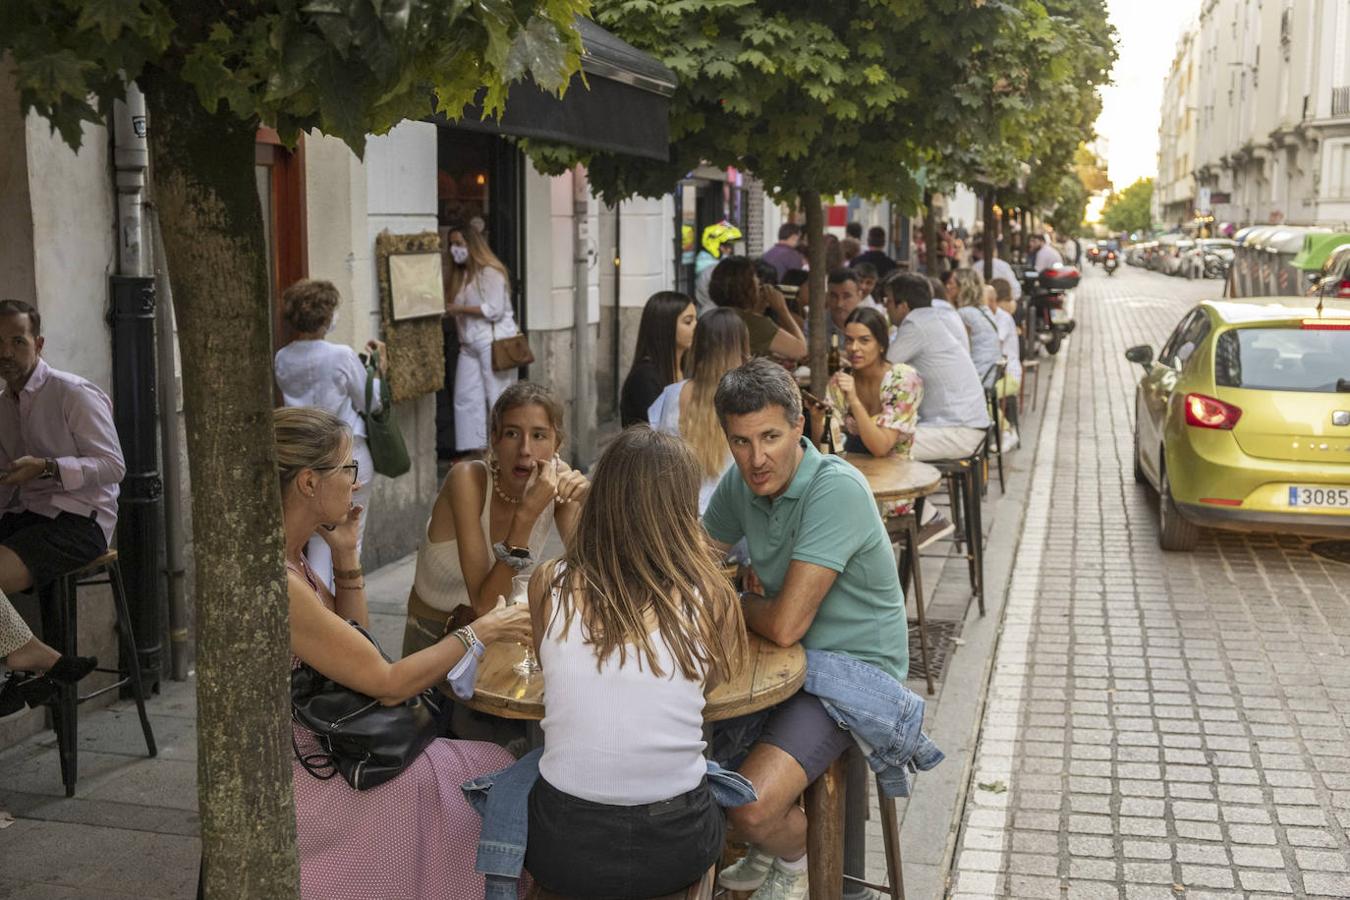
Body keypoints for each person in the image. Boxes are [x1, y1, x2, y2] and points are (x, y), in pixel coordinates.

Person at [278, 405, 532, 899]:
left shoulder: (294, 560)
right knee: (490, 775)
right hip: (313, 772)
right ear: (309, 483)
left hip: (331, 743)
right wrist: (481, 630)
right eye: (348, 467)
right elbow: (388, 683)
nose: (355, 482)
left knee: (487, 763)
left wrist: (346, 554)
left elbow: (356, 640)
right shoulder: (282, 583)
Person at [702, 359, 909, 900]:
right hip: (782, 663)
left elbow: (786, 624)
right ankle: (775, 840)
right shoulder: (741, 482)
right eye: (741, 441)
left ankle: (797, 857)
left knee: (746, 805)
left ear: (800, 427)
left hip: (851, 674)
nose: (757, 458)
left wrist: (734, 599)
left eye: (770, 437)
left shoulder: (835, 489)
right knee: (683, 760)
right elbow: (692, 563)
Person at [522, 427, 747, 899]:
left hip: (563, 846)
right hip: (675, 842)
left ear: (601, 497)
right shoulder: (711, 595)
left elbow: (553, 669)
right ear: (683, 509)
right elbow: (707, 688)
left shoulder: (549, 583)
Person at [402, 383, 587, 744]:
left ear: (557, 446)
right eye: (512, 434)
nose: (525, 450)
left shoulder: (555, 485)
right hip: (436, 645)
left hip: (505, 643)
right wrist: (526, 516)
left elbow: (594, 571)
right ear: (494, 440)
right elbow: (484, 605)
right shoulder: (467, 480)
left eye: (539, 435)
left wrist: (591, 500)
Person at [274, 279, 387, 588]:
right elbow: (372, 402)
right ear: (326, 315)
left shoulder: (282, 358)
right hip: (346, 454)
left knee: (314, 543)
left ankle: (317, 603)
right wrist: (378, 373)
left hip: (304, 460)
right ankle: (344, 606)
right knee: (349, 539)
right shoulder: (341, 355)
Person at [815, 308, 923, 518]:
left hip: (894, 483)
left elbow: (880, 447)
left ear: (881, 344)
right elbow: (826, 449)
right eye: (849, 340)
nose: (854, 348)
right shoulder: (841, 381)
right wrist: (817, 418)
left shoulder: (903, 380)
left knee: (841, 508)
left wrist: (854, 400)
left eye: (864, 340)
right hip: (852, 474)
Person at [648, 308, 751, 512]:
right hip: (733, 516)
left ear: (698, 346)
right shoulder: (752, 397)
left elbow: (656, 456)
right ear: (742, 346)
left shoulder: (671, 395)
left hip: (679, 513)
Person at [881, 273, 991, 461]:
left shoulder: (916, 325)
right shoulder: (931, 318)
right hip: (961, 425)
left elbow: (883, 370)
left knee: (882, 445)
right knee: (881, 439)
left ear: (903, 306)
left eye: (888, 301)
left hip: (959, 431)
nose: (886, 307)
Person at [446, 225, 519, 454]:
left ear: (472, 245)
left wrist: (460, 309)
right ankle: (476, 450)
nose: (454, 249)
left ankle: (503, 448)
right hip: (468, 344)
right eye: (452, 244)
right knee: (465, 398)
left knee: (497, 396)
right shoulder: (462, 275)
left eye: (459, 243)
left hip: (491, 341)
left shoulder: (491, 273)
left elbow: (494, 309)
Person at [618, 292, 697, 427]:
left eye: (696, 320)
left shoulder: (687, 368)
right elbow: (659, 429)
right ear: (665, 327)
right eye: (688, 322)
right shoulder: (644, 377)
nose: (696, 326)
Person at [709, 257, 807, 361]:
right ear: (747, 285)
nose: (759, 281)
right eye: (755, 276)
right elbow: (802, 352)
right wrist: (782, 309)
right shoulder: (752, 323)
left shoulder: (713, 317)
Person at [950, 269, 1001, 386]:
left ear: (962, 287)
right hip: (990, 375)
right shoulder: (984, 310)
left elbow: (958, 349)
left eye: (951, 283)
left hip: (978, 379)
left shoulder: (964, 314)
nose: (948, 287)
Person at [987, 281, 1022, 448]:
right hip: (994, 374)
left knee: (985, 397)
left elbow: (995, 343)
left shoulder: (1003, 318)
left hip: (1010, 376)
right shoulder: (990, 317)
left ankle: (1007, 431)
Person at [695, 221, 743, 314]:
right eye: (728, 246)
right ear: (719, 246)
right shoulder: (711, 268)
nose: (731, 250)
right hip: (713, 314)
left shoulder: (709, 263)